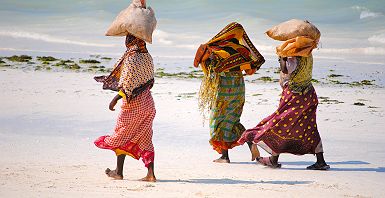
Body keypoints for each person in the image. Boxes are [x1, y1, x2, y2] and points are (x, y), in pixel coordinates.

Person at [238, 53, 330, 170]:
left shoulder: (292, 58)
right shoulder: (307, 55)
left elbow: (285, 70)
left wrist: (282, 59)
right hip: (309, 94)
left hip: (294, 96)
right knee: (309, 127)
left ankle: (271, 157)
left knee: (278, 124)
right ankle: (320, 161)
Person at [194, 22, 265, 163]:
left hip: (223, 90)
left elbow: (202, 64)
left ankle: (225, 156)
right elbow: (251, 69)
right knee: (233, 120)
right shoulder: (241, 50)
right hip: (238, 88)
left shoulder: (215, 50)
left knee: (218, 121)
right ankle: (251, 143)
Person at [94, 34, 157, 181]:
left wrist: (115, 99)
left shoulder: (131, 58)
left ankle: (119, 172)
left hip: (133, 105)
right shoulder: (148, 56)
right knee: (146, 138)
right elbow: (149, 80)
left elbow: (128, 85)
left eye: (128, 38)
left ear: (131, 40)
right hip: (148, 103)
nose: (126, 41)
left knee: (121, 135)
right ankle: (150, 174)